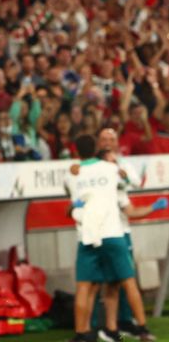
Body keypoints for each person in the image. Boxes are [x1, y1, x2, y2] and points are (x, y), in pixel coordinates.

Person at [67, 135, 154, 342]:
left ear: (76, 151)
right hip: (113, 233)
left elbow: (73, 205)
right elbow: (134, 182)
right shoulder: (111, 169)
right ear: (97, 147)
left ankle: (81, 333)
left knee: (84, 286)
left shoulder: (74, 174)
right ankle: (142, 329)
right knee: (127, 281)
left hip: (88, 235)